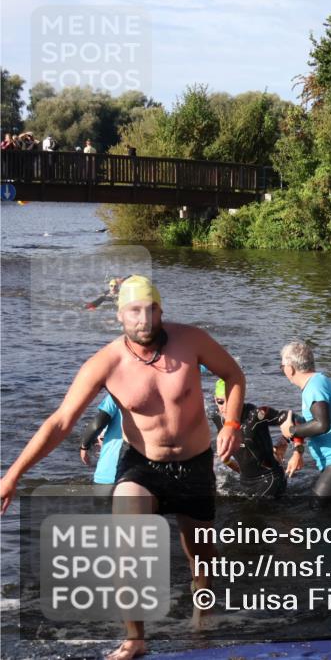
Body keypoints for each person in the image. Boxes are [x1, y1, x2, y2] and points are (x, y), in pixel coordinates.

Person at [0, 275, 245, 660]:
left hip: (195, 463)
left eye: (151, 310)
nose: (144, 320)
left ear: (161, 311)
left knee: (201, 555)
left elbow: (233, 375)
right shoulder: (106, 362)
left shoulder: (192, 340)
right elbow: (60, 421)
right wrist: (12, 475)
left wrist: (232, 424)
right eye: (134, 311)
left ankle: (202, 619)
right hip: (141, 465)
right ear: (119, 316)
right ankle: (135, 638)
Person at [279, 341, 331, 497]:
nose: (283, 370)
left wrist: (291, 430)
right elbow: (309, 422)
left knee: (318, 508)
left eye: (282, 367)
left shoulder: (314, 387)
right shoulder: (316, 382)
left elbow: (322, 424)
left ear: (290, 369)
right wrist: (293, 446)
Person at [210, 378, 287, 498]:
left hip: (270, 478)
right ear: (215, 399)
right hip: (245, 481)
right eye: (220, 401)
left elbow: (292, 418)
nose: (225, 407)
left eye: (230, 402)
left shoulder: (256, 415)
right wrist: (228, 462)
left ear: (239, 400)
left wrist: (292, 445)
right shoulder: (217, 417)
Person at [79, 393, 124, 485]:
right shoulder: (160, 393)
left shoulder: (117, 394)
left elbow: (97, 425)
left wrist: (84, 447)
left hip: (108, 474)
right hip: (143, 477)